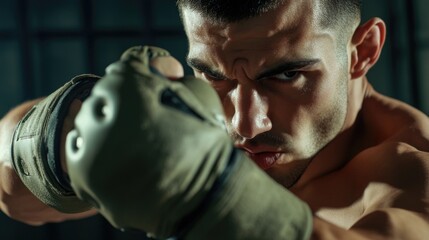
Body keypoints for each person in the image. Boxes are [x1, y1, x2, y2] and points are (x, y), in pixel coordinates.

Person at [1, 0, 429, 239]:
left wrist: (209, 196)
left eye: (287, 74)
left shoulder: (412, 168)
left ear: (363, 51)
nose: (245, 125)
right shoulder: (200, 116)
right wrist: (51, 145)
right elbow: (12, 193)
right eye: (212, 74)